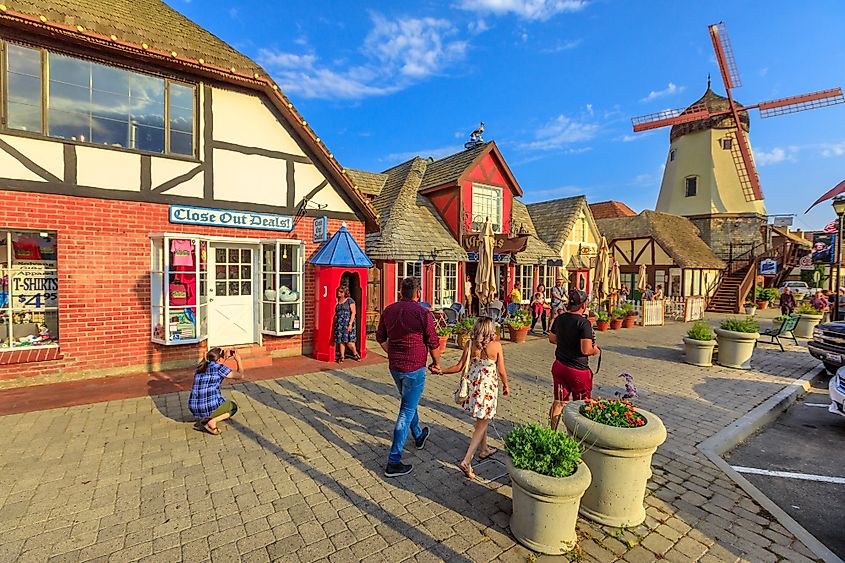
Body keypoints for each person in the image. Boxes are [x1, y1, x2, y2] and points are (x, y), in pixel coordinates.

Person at [376, 277, 441, 478]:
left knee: (408, 403)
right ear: (418, 293)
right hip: (414, 367)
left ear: (400, 292)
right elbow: (433, 341)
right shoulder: (422, 313)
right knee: (406, 410)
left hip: (395, 366)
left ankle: (419, 435)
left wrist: (391, 352)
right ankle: (394, 460)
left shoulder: (389, 310)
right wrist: (437, 363)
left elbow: (380, 337)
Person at [441, 317, 509, 480]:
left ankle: (484, 448)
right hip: (488, 388)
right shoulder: (496, 346)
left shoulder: (470, 345)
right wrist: (506, 384)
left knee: (481, 419)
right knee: (482, 422)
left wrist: (441, 370)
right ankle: (467, 460)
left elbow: (459, 367)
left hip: (474, 386)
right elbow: (501, 370)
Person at [547, 289, 600, 431]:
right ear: (583, 305)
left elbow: (552, 338)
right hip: (578, 371)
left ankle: (551, 433)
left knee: (558, 402)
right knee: (580, 405)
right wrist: (596, 350)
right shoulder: (584, 324)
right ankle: (577, 436)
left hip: (560, 366)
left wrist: (565, 341)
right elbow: (586, 350)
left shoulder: (560, 318)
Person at [188, 347, 245, 435]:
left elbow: (215, 363)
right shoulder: (220, 368)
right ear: (219, 359)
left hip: (193, 408)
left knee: (218, 399)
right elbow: (240, 375)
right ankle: (212, 421)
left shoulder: (200, 366)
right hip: (207, 407)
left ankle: (206, 417)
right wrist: (238, 360)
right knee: (232, 407)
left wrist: (224, 357)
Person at [333, 286, 359, 363]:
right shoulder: (337, 300)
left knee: (349, 341)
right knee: (341, 341)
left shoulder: (350, 301)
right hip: (340, 323)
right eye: (338, 291)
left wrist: (350, 324)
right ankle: (342, 356)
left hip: (347, 322)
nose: (339, 293)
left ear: (345, 293)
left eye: (341, 292)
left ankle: (355, 354)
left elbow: (353, 312)